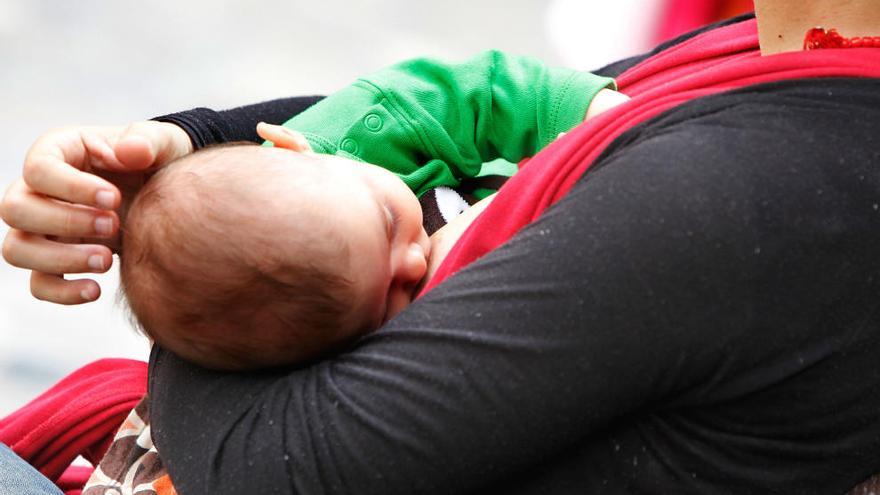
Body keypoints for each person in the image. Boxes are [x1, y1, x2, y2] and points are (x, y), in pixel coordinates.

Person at [4, 2, 880, 494]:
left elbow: (269, 465)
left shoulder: (755, 188)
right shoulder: (814, 47)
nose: (420, 258)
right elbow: (491, 104)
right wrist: (175, 154)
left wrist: (207, 269)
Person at [120, 52, 619, 370]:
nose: (414, 263)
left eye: (388, 223)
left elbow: (482, 93)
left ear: (297, 148)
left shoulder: (349, 137)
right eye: (386, 303)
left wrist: (592, 116)